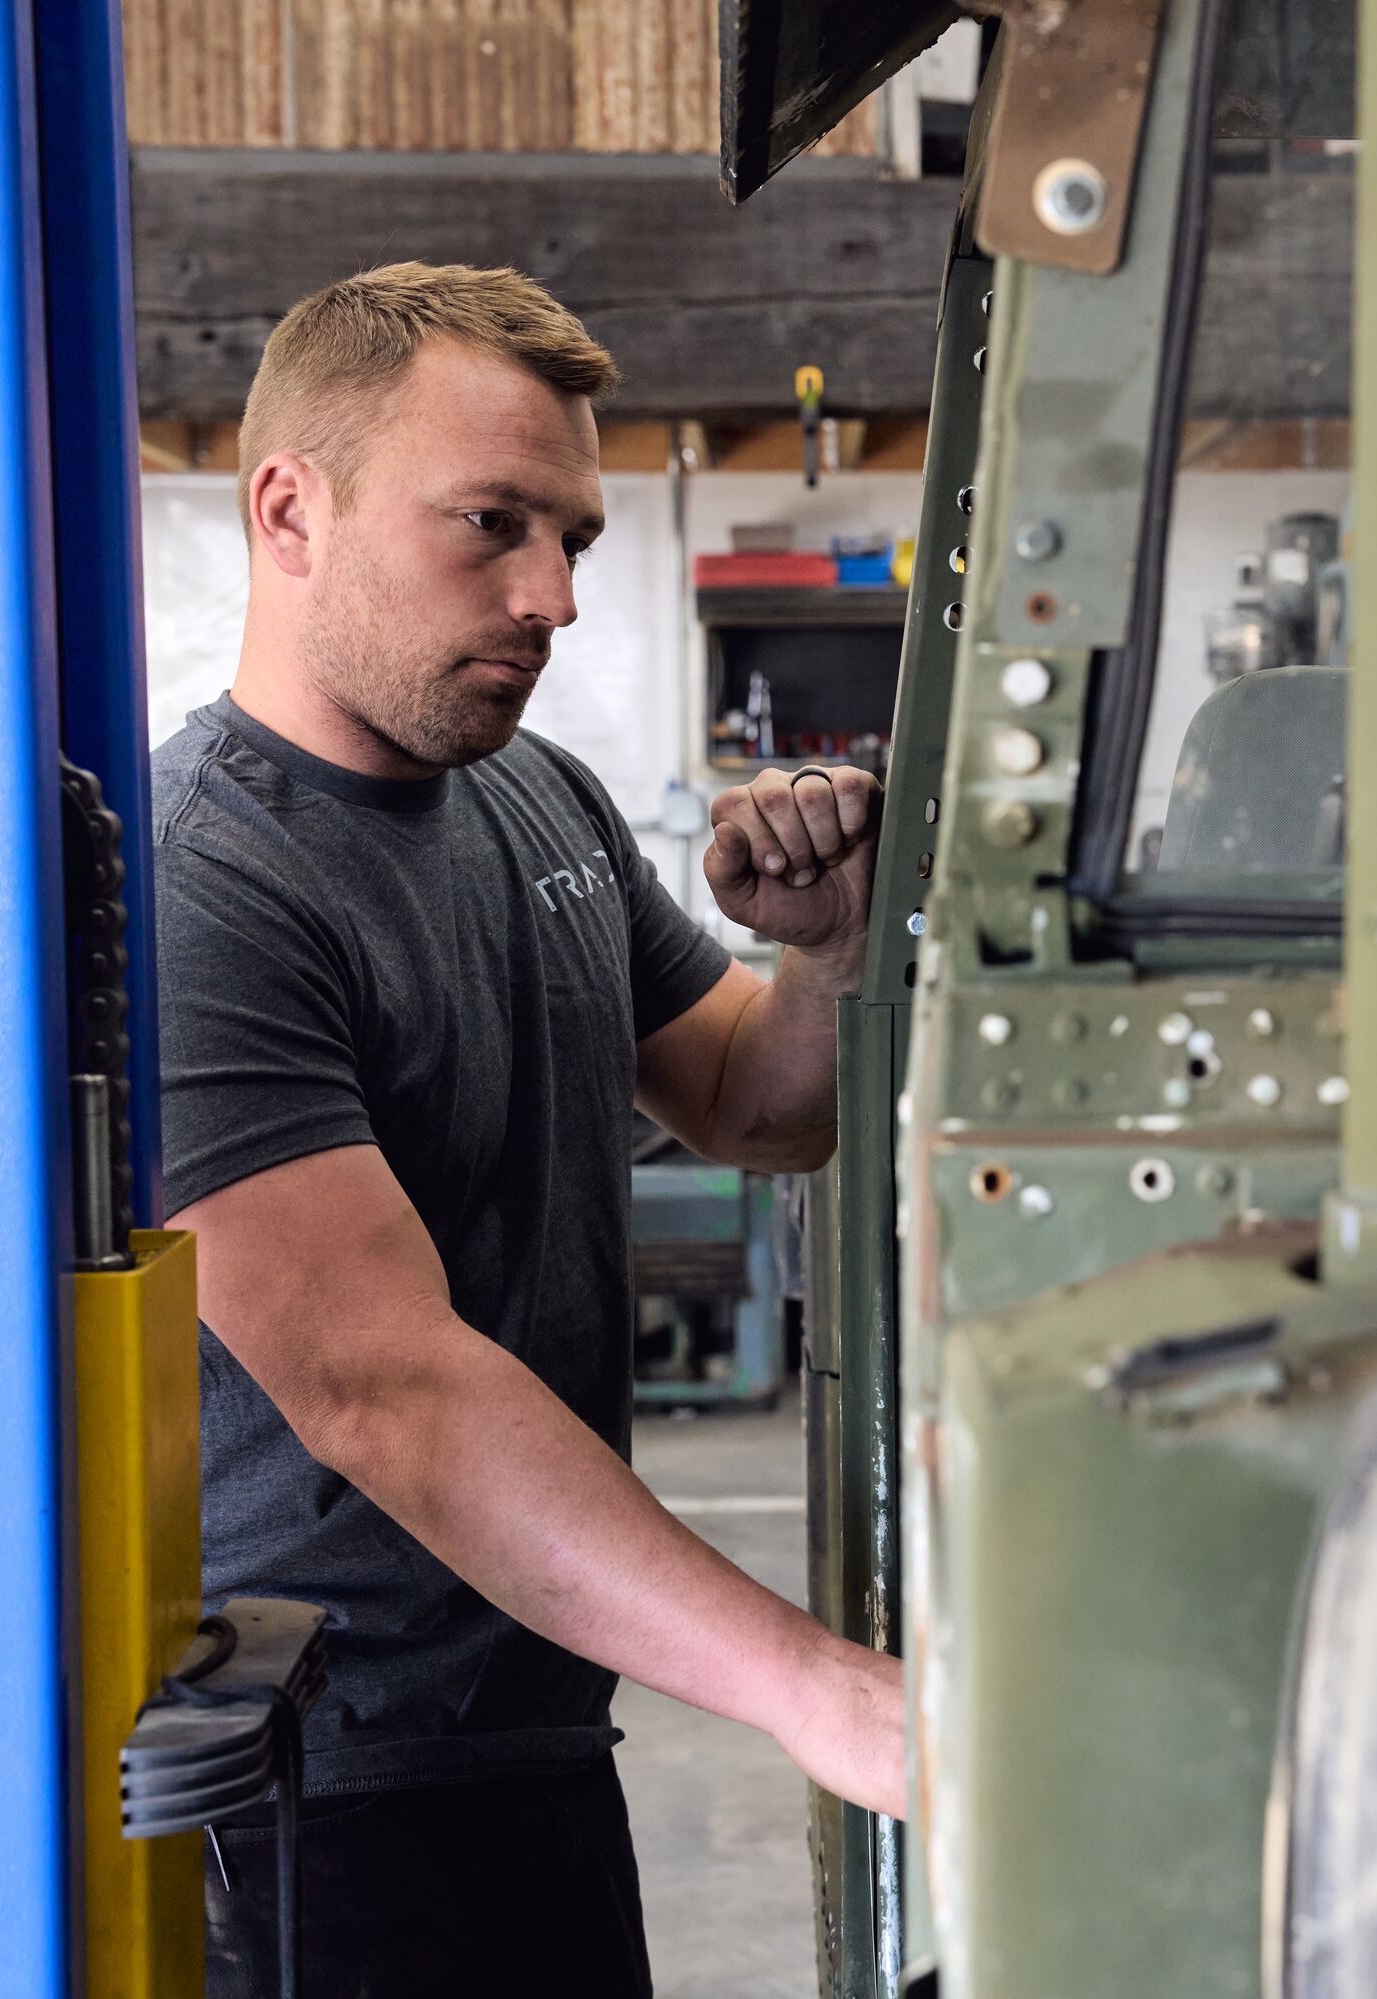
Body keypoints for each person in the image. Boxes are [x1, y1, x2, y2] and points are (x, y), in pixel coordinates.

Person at [150, 261, 900, 1995]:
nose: (552, 595)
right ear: (290, 511)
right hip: (318, 1793)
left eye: (573, 538)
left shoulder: (534, 796)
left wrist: (828, 952)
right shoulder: (210, 883)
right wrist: (818, 1691)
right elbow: (379, 1383)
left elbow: (753, 1103)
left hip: (534, 1726)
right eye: (491, 524)